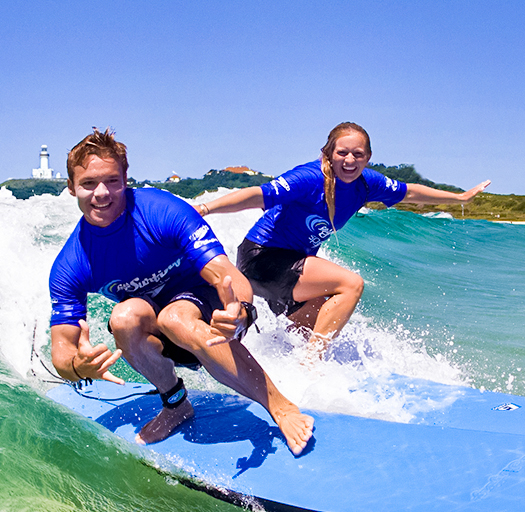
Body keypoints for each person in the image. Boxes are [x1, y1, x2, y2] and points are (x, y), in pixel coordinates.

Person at [48, 129, 315, 454]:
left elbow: (226, 274)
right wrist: (79, 367)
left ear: (125, 179)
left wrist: (241, 311)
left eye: (112, 181)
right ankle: (175, 405)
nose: (102, 193)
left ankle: (280, 406)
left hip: (214, 317)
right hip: (163, 338)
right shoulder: (72, 262)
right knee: (123, 317)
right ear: (72, 187)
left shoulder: (162, 211)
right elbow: (61, 353)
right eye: (89, 183)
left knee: (176, 316)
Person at [195, 122, 490, 359]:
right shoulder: (309, 178)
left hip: (289, 267)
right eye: (342, 153)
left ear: (368, 157)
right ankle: (311, 366)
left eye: (358, 154)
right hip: (262, 258)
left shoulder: (366, 184)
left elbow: (410, 192)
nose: (350, 160)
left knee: (313, 325)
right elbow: (259, 195)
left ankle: (280, 366)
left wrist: (459, 197)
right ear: (328, 153)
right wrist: (206, 208)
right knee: (351, 284)